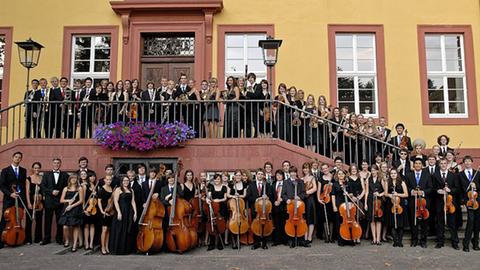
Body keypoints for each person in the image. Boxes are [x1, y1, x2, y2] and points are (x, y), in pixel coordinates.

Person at [0, 152, 28, 249]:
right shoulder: (5, 170)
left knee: (18, 218)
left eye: (19, 157)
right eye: (16, 157)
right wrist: (10, 194)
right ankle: (1, 241)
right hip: (9, 198)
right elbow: (2, 185)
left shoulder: (23, 170)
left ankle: (17, 238)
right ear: (12, 158)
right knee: (5, 219)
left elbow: (23, 185)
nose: (17, 159)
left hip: (19, 198)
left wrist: (23, 197)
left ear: (21, 159)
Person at [41, 158, 69, 245]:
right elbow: (43, 186)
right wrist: (51, 192)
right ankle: (46, 238)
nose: (56, 164)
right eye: (55, 163)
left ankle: (59, 239)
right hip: (49, 201)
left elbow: (67, 187)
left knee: (59, 221)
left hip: (60, 201)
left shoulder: (65, 175)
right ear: (52, 164)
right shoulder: (46, 174)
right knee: (47, 220)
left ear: (60, 164)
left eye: (58, 163)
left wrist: (60, 192)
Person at [434, 158, 460, 250]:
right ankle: (440, 242)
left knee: (452, 223)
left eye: (445, 163)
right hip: (440, 203)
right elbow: (432, 188)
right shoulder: (435, 175)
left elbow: (457, 189)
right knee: (440, 223)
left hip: (450, 203)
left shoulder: (453, 176)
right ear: (439, 165)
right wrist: (438, 190)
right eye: (441, 163)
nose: (443, 165)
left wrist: (450, 190)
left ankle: (455, 242)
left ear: (447, 164)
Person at [406, 158, 432, 248]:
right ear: (414, 165)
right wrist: (411, 191)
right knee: (414, 222)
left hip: (424, 202)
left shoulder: (427, 175)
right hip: (413, 202)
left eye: (419, 163)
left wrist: (423, 192)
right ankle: (414, 240)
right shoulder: (409, 175)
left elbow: (430, 188)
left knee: (425, 222)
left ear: (422, 165)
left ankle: (423, 241)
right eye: (416, 163)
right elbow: (407, 187)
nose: (417, 165)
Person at [109, 176, 137, 255]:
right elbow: (115, 201)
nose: (126, 182)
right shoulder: (118, 189)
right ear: (121, 181)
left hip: (129, 211)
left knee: (127, 229)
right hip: (121, 210)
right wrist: (119, 212)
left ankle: (126, 250)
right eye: (124, 180)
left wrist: (135, 213)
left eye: (127, 180)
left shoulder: (131, 190)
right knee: (120, 229)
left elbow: (133, 202)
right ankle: (118, 249)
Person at [246, 168, 273, 250]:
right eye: (259, 174)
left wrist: (267, 196)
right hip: (255, 209)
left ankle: (264, 242)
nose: (260, 176)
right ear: (256, 175)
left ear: (263, 175)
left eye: (261, 174)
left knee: (264, 225)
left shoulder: (267, 185)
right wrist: (256, 199)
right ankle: (256, 243)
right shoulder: (251, 185)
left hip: (265, 209)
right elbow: (248, 197)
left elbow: (271, 195)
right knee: (255, 226)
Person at [281, 166, 306, 248]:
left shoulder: (300, 181)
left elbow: (304, 193)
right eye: (291, 172)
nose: (293, 174)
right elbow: (283, 194)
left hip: (299, 205)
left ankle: (301, 240)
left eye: (294, 172)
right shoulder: (285, 182)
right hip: (290, 205)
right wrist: (287, 199)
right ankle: (291, 240)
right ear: (289, 173)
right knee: (290, 222)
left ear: (296, 173)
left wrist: (299, 197)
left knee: (300, 221)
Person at [458, 156, 480, 252]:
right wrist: (462, 201)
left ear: (472, 162)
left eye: (469, 161)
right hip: (468, 201)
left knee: (477, 223)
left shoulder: (477, 173)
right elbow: (459, 189)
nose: (467, 163)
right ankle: (466, 244)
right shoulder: (460, 175)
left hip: (477, 200)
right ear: (464, 163)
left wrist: (476, 186)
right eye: (465, 161)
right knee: (470, 221)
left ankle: (475, 243)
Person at [58, 174, 84, 252]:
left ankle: (75, 244)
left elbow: (81, 201)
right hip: (66, 208)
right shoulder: (66, 188)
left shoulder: (79, 188)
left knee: (75, 226)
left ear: (77, 179)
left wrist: (72, 206)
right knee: (65, 227)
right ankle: (67, 240)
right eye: (72, 178)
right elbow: (61, 200)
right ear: (69, 179)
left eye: (75, 178)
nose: (73, 180)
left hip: (75, 209)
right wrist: (68, 201)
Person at [385, 168, 408, 247]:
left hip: (400, 204)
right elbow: (385, 194)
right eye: (391, 173)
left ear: (397, 174)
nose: (393, 175)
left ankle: (400, 241)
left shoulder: (402, 183)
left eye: (394, 173)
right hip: (391, 204)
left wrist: (397, 194)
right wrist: (390, 195)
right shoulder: (387, 183)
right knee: (392, 223)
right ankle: (395, 241)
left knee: (400, 224)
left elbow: (406, 194)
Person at [206, 174, 228, 251]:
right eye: (215, 179)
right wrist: (208, 199)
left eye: (218, 179)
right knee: (212, 224)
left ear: (220, 179)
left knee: (221, 225)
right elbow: (209, 195)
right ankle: (211, 244)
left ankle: (220, 244)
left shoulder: (224, 187)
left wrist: (219, 200)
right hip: (213, 207)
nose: (217, 181)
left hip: (222, 207)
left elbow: (225, 198)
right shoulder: (211, 187)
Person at [364, 164, 384, 245]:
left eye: (374, 170)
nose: (373, 172)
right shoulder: (368, 180)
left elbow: (385, 191)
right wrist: (365, 203)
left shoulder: (381, 179)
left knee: (378, 221)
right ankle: (374, 239)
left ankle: (378, 239)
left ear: (377, 170)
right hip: (370, 201)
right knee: (372, 220)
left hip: (378, 202)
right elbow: (367, 192)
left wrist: (379, 194)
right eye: (371, 170)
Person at [25, 162, 43, 244]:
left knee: (39, 221)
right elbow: (27, 192)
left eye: (38, 168)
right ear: (32, 169)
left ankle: (38, 239)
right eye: (35, 168)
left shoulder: (42, 178)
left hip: (39, 202)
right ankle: (28, 239)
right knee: (29, 221)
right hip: (31, 201)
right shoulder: (28, 179)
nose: (37, 169)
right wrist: (28, 203)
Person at [82, 172, 99, 250]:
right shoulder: (85, 186)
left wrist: (96, 194)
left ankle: (91, 243)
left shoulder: (97, 187)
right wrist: (84, 209)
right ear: (88, 178)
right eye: (91, 177)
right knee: (86, 226)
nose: (92, 178)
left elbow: (98, 199)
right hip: (87, 208)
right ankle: (86, 243)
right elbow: (83, 199)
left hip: (94, 209)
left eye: (94, 177)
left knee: (92, 225)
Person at [97, 175, 114, 255]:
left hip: (110, 211)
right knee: (104, 229)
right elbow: (99, 201)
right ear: (104, 180)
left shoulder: (112, 188)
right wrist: (101, 211)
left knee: (108, 230)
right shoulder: (101, 189)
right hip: (103, 211)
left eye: (110, 180)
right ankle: (102, 247)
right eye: (107, 179)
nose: (109, 181)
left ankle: (107, 247)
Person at [302, 162, 317, 247]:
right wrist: (303, 194)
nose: (305, 169)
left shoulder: (312, 178)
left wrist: (306, 192)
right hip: (303, 200)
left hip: (310, 200)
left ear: (309, 169)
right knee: (304, 219)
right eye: (304, 168)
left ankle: (309, 237)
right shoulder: (301, 178)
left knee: (310, 218)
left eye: (307, 168)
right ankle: (305, 236)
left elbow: (315, 188)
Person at [272, 169, 288, 246]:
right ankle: (277, 240)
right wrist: (274, 202)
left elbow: (288, 194)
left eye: (280, 175)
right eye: (277, 175)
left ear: (283, 176)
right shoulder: (273, 184)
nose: (279, 176)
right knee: (276, 224)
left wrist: (283, 200)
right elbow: (271, 195)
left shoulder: (286, 184)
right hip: (275, 207)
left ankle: (284, 240)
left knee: (284, 223)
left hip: (284, 206)